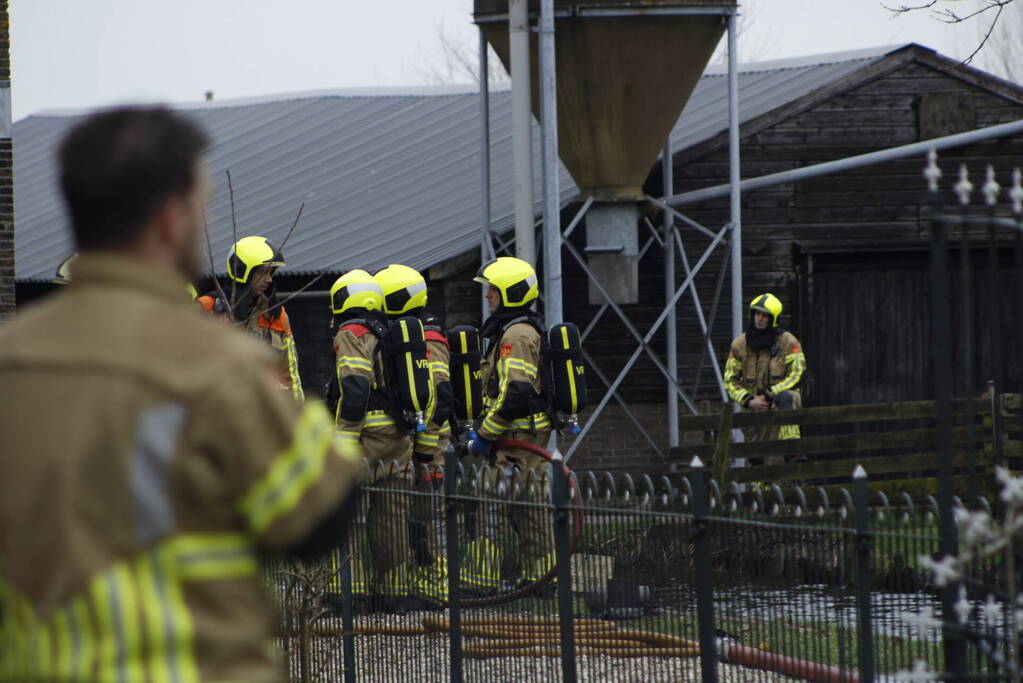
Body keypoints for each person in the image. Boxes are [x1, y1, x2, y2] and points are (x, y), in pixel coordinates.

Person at [0, 106, 362, 681]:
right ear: (171, 219)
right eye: (202, 205)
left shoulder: (12, 365)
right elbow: (320, 516)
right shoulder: (212, 360)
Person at [328, 269, 421, 612]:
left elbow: (354, 388)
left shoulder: (351, 333)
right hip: (398, 436)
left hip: (366, 434)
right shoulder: (388, 331)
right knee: (391, 517)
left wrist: (344, 440)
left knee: (345, 511)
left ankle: (347, 594)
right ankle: (395, 593)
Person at [462, 256, 555, 595]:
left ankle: (480, 583)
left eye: (492, 289)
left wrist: (485, 434)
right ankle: (543, 579)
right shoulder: (519, 328)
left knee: (489, 505)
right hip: (523, 435)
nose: (487, 295)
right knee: (531, 509)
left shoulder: (515, 335)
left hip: (514, 437)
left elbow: (515, 392)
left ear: (509, 293)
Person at [374, 263, 452, 606]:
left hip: (431, 443)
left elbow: (436, 396)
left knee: (427, 517)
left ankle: (436, 587)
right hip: (423, 440)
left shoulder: (428, 340)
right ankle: (419, 585)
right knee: (411, 516)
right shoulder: (409, 335)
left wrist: (425, 450)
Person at [198, 236, 304, 400]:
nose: (269, 279)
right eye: (262, 272)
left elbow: (291, 375)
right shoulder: (208, 308)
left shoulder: (277, 315)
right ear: (242, 271)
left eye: (270, 272)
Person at [724, 293, 806, 458]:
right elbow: (730, 381)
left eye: (764, 315)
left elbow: (798, 373)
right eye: (756, 314)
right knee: (757, 455)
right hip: (754, 405)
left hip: (778, 399)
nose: (759, 319)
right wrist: (749, 400)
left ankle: (792, 449)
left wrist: (771, 393)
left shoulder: (788, 342)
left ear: (773, 318)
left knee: (787, 398)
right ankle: (759, 482)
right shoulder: (739, 345)